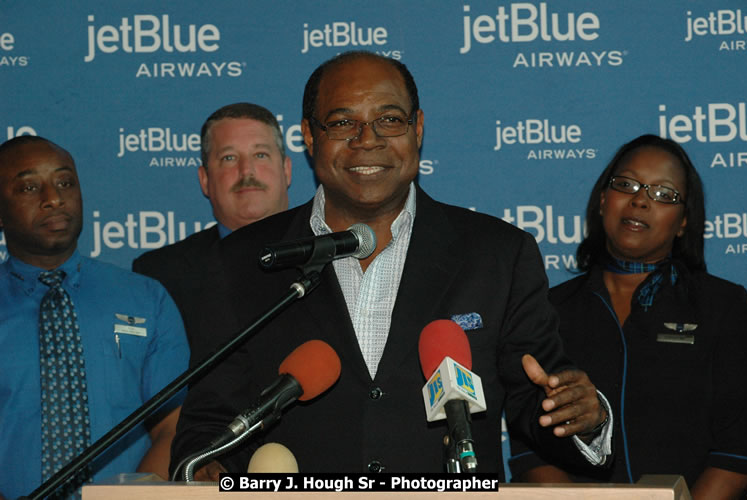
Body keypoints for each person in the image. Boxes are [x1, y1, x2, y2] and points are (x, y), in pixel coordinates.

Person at [170, 51, 610, 479]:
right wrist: (207, 472)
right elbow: (209, 422)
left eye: (390, 120)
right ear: (308, 135)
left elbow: (542, 405)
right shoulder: (243, 262)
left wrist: (583, 418)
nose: (368, 139)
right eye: (343, 122)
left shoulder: (498, 255)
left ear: (417, 128)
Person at [508, 135, 747, 499]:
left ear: (684, 221)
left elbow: (739, 452)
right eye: (626, 185)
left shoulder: (723, 305)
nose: (640, 200)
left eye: (663, 194)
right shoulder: (548, 310)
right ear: (603, 200)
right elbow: (529, 450)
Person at [0, 136, 189, 499]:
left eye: (65, 182)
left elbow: (173, 425)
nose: (53, 198)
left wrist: (134, 497)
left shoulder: (146, 298)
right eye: (29, 187)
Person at [132, 103, 292, 348]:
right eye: (229, 158)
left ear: (286, 170)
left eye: (260, 155)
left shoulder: (334, 257)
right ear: (205, 180)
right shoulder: (160, 276)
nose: (246, 170)